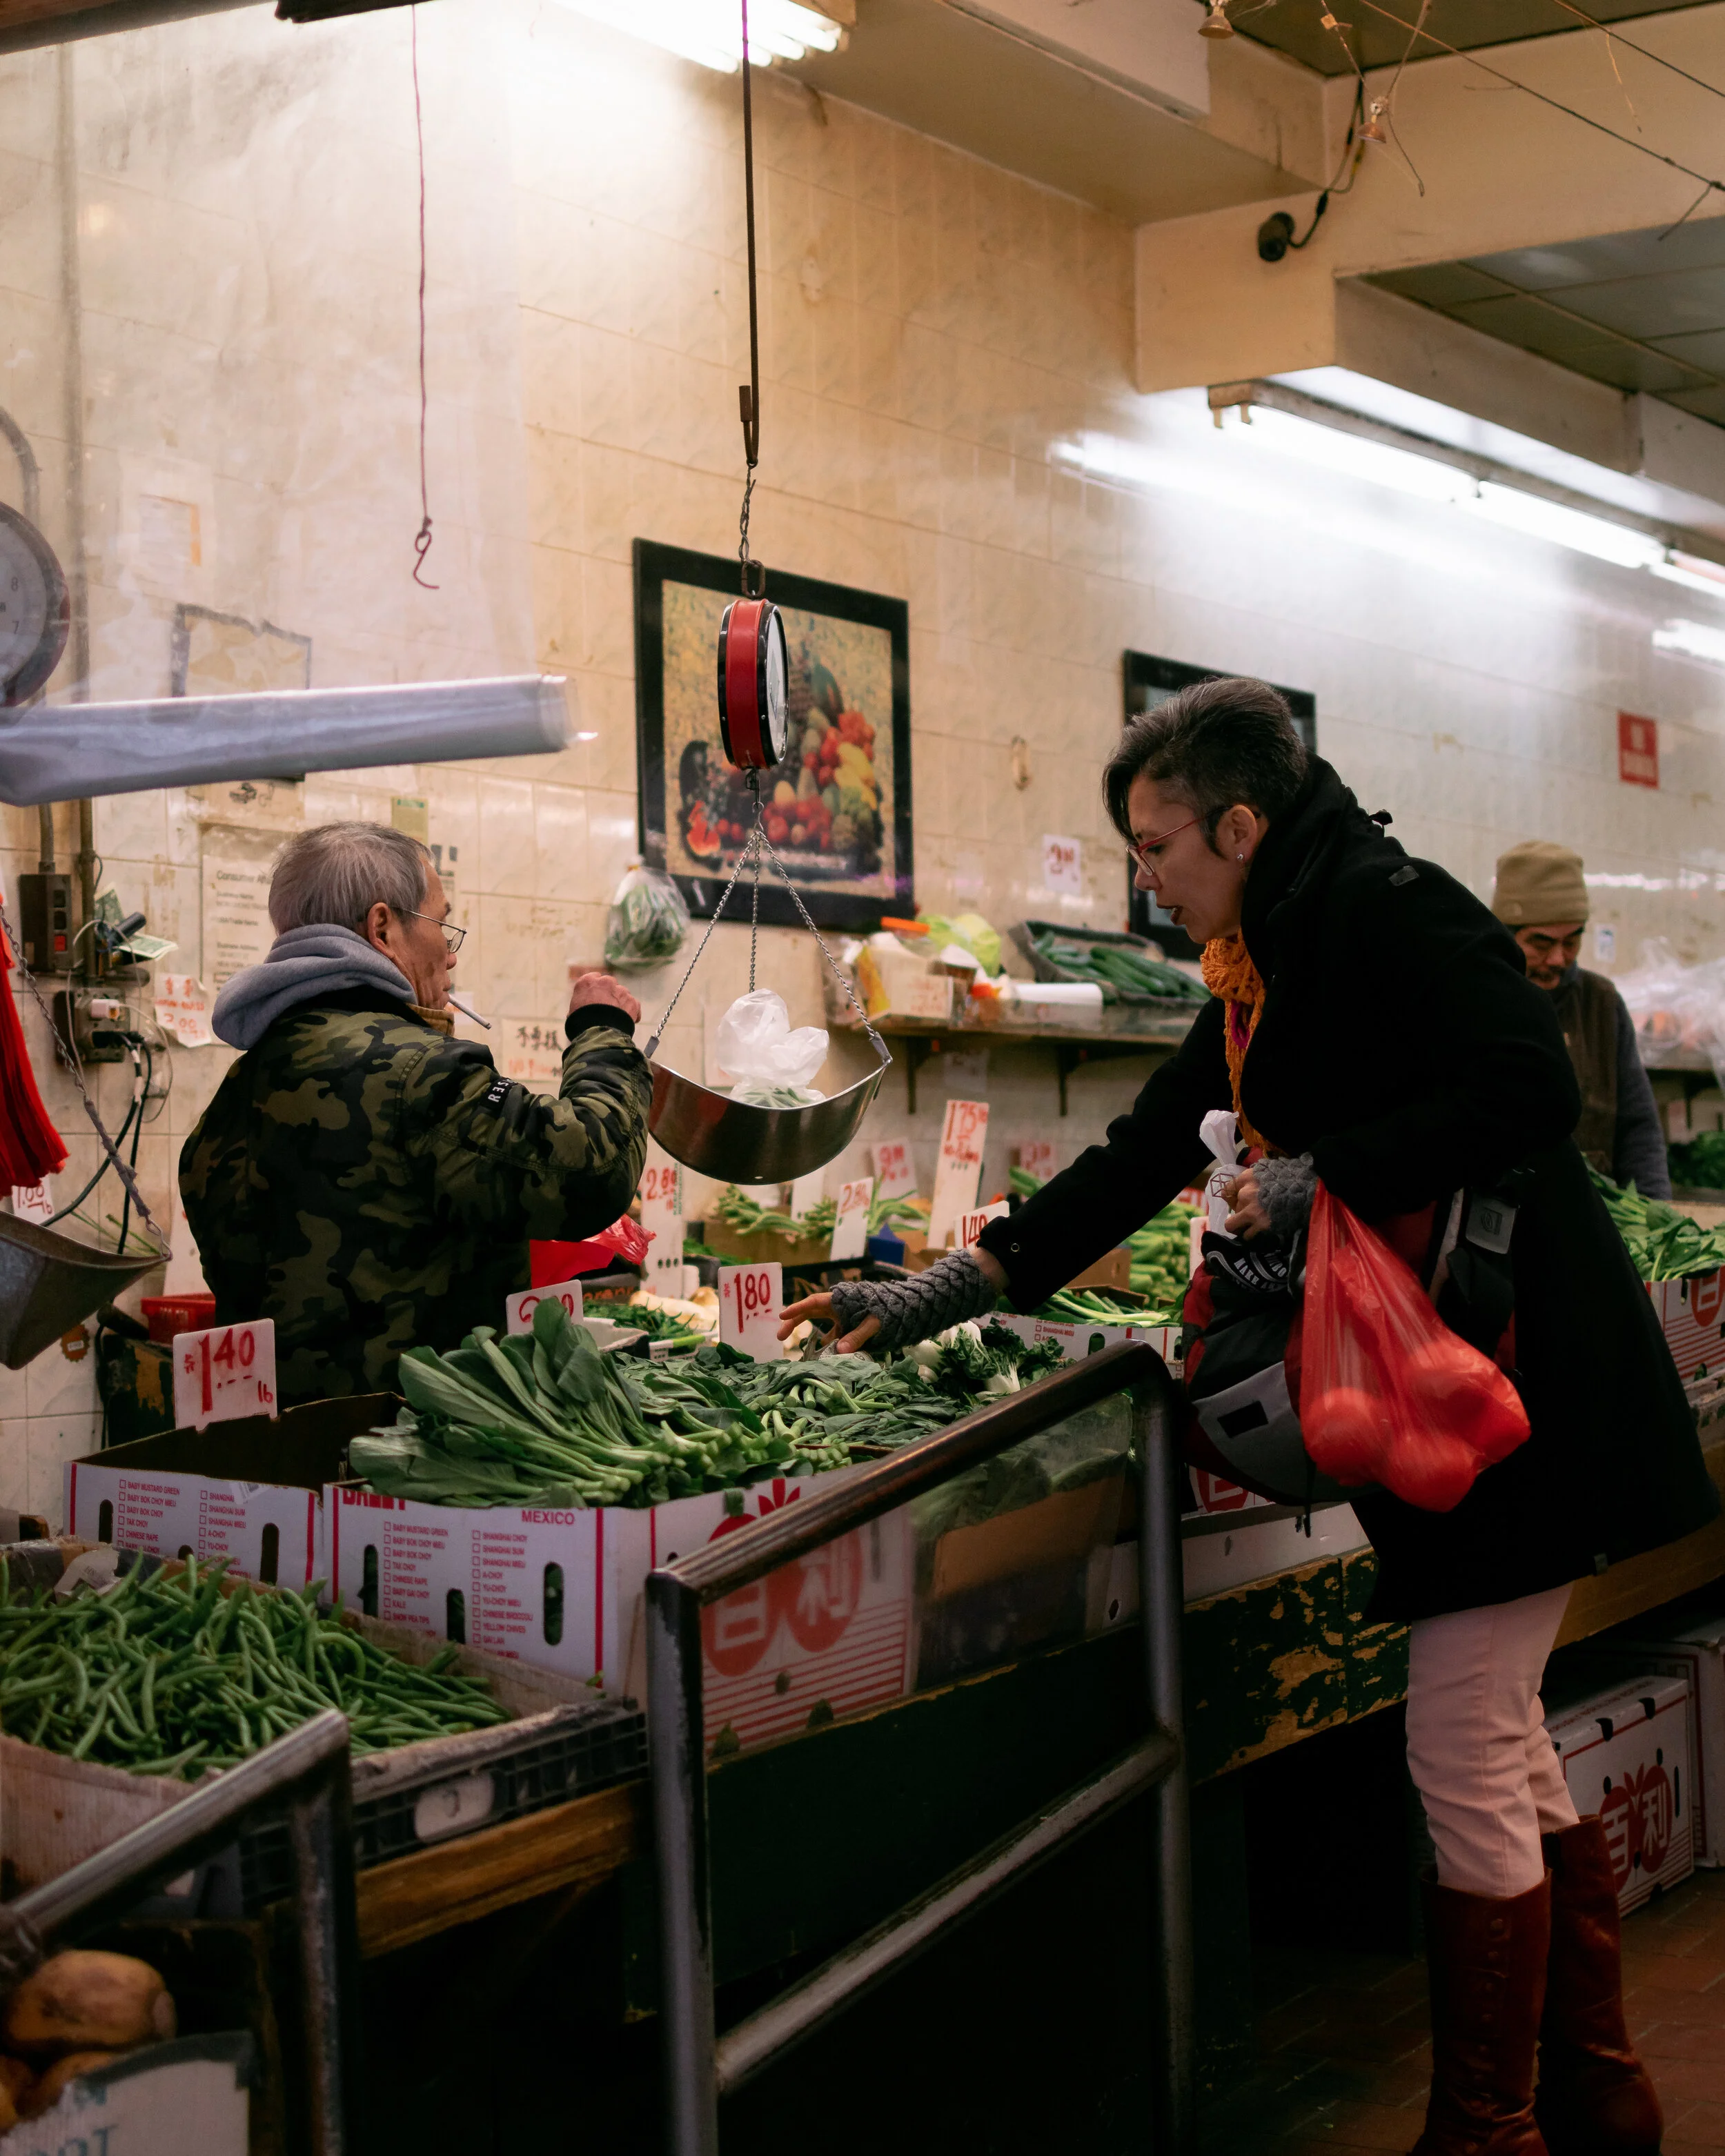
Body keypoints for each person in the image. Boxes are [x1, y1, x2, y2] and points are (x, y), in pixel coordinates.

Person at [783, 679, 1717, 2156]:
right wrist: (959, 1280)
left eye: (1156, 843)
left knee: (1460, 1741)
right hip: (1437, 1380)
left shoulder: (1389, 910)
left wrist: (1324, 1169)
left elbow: (1528, 1087)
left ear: (1238, 822)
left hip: (1514, 1376)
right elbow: (1154, 1142)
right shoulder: (1259, 958)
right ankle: (1596, 2089)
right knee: (1503, 1736)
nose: (1140, 874)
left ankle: (1488, 2127)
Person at [181, 822, 651, 1406]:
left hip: (276, 1460)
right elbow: (592, 1172)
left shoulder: (229, 1100)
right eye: (440, 924)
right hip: (414, 1455)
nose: (451, 953)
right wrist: (602, 1032)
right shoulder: (422, 1074)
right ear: (383, 928)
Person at [1492, 839, 1669, 1197]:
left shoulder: (1601, 1004)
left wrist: (1655, 1214)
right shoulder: (1478, 999)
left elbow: (1638, 1128)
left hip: (1598, 1214)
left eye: (1572, 942)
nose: (1558, 958)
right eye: (1541, 944)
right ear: (1503, 934)